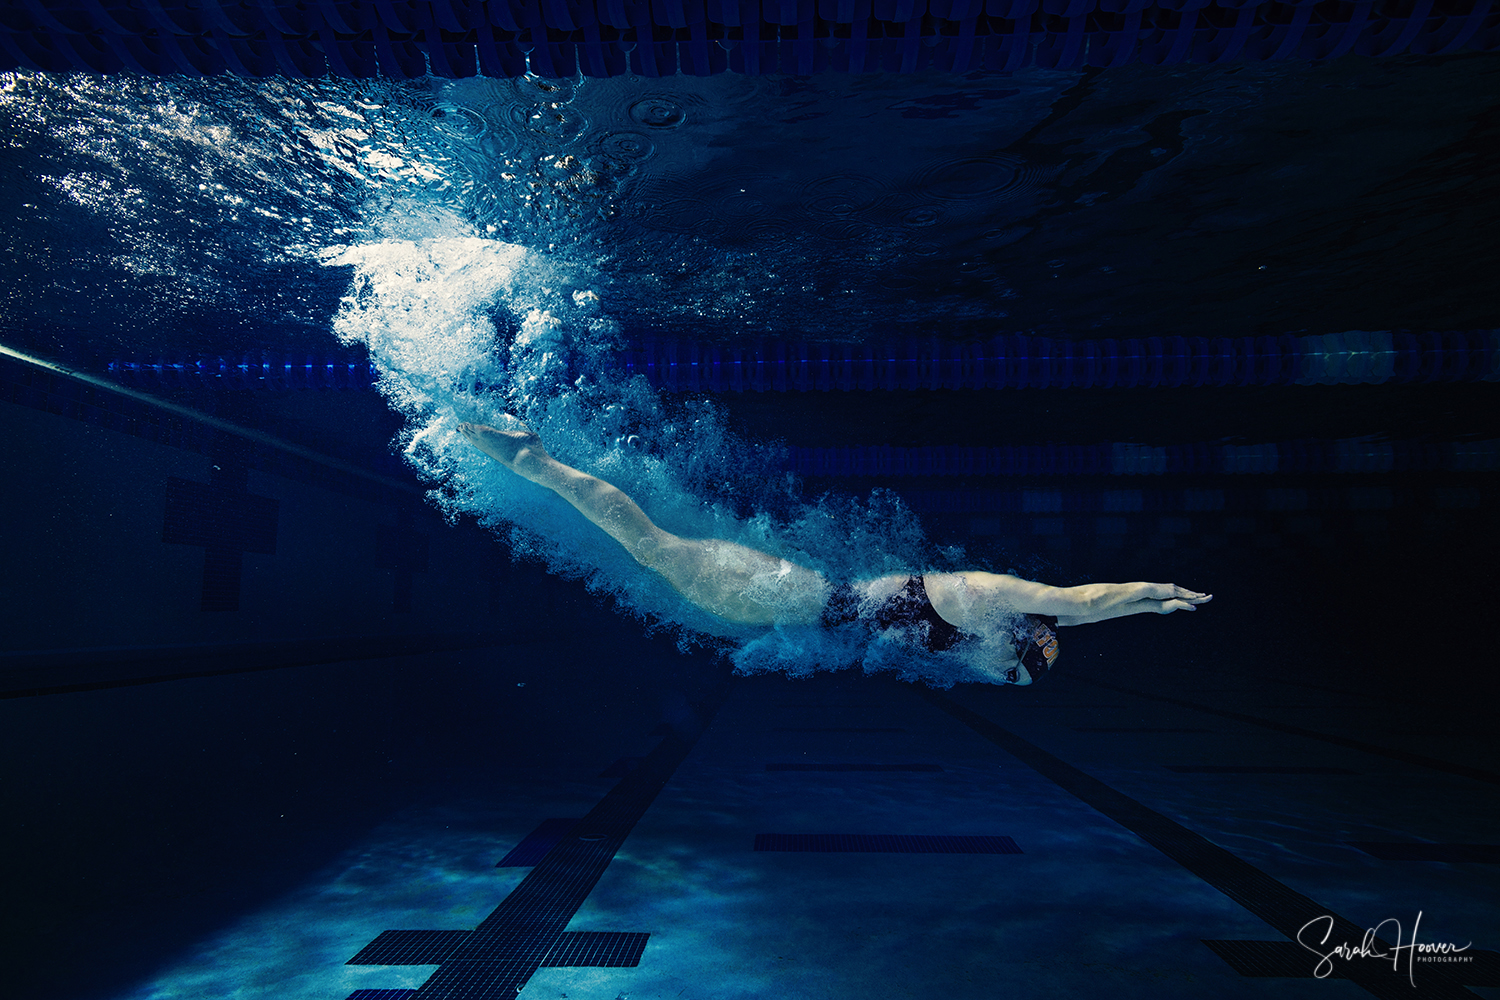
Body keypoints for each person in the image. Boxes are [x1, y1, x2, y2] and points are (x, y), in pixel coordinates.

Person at [458, 420, 1211, 685]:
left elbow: (1064, 629)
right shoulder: (986, 595)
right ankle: (534, 461)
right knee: (653, 550)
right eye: (1042, 642)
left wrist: (1149, 607)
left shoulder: (985, 638)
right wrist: (1160, 590)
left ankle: (537, 462)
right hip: (786, 596)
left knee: (658, 563)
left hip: (793, 610)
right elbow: (1080, 602)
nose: (1042, 645)